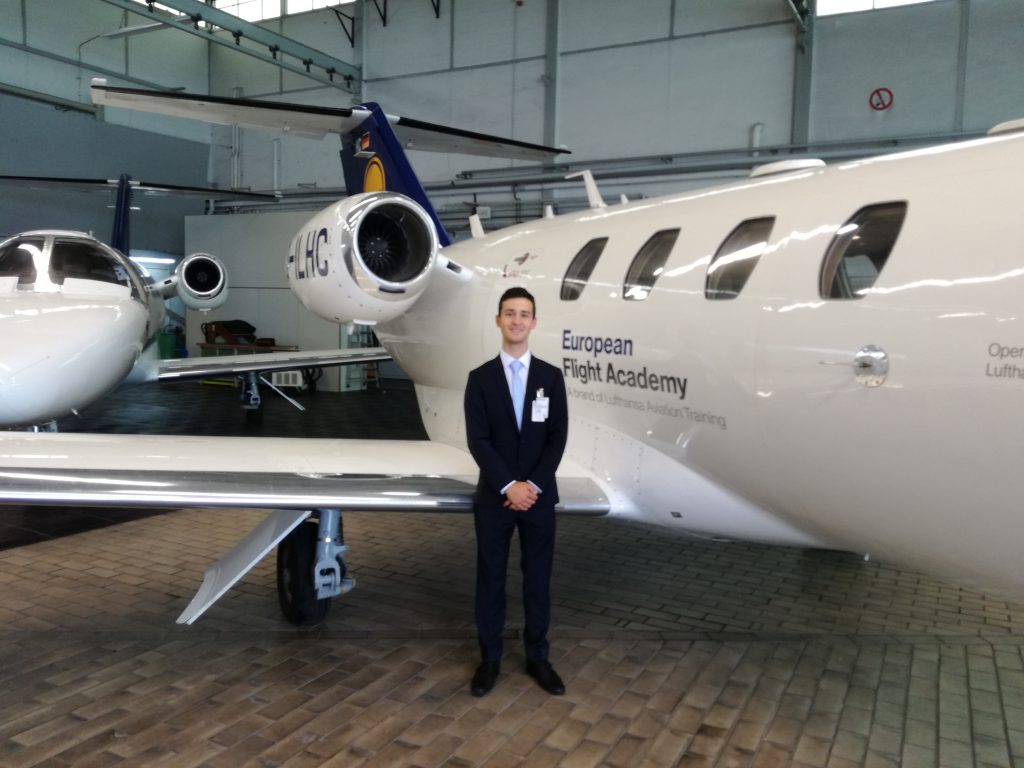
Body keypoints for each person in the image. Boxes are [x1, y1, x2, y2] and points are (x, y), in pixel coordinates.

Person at [463, 286, 569, 697]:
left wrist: (532, 486)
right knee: (490, 578)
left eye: (525, 314)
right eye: (510, 313)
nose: (517, 320)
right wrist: (510, 485)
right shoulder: (480, 379)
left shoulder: (550, 378)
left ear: (534, 323)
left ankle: (537, 657)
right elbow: (479, 441)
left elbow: (556, 439)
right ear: (498, 320)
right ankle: (489, 659)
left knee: (537, 579)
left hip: (539, 498)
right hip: (496, 497)